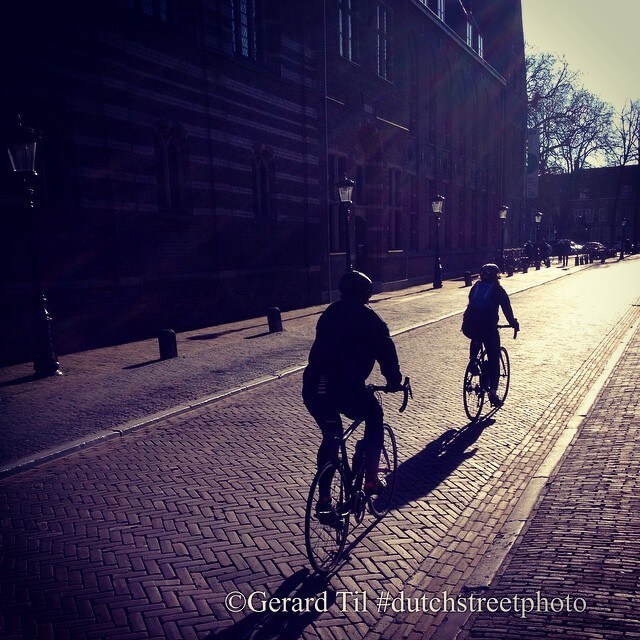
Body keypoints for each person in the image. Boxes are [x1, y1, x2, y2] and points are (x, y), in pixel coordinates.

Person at [302, 270, 403, 513]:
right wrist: (393, 381)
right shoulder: (372, 321)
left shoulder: (329, 313)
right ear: (367, 294)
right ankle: (370, 479)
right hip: (346, 386)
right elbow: (387, 354)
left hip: (315, 385)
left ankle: (324, 500)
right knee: (374, 415)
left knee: (331, 436)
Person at [461, 264, 519, 407]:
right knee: (494, 359)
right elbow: (506, 308)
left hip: (469, 325)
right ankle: (493, 393)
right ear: (497, 276)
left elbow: (471, 304)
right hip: (488, 327)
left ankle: (473, 361)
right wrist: (513, 323)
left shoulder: (475, 287)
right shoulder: (498, 290)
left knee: (476, 337)